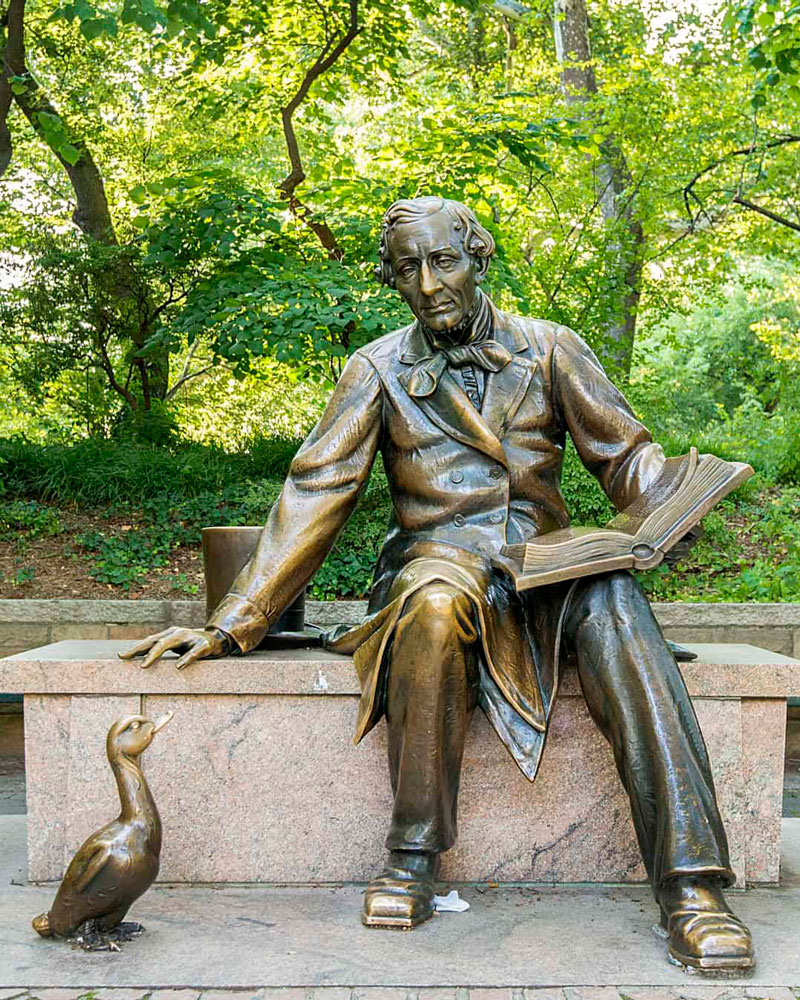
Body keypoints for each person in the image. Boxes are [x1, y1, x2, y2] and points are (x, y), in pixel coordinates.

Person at [122, 196, 754, 971]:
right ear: (394, 280)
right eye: (408, 269)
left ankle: (693, 886)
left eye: (443, 261)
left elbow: (626, 460)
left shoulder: (551, 348)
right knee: (432, 604)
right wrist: (235, 621)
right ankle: (413, 852)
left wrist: (671, 503)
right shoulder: (377, 367)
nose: (428, 283)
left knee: (618, 600)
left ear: (477, 257)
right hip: (436, 561)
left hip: (541, 567)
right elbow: (316, 492)